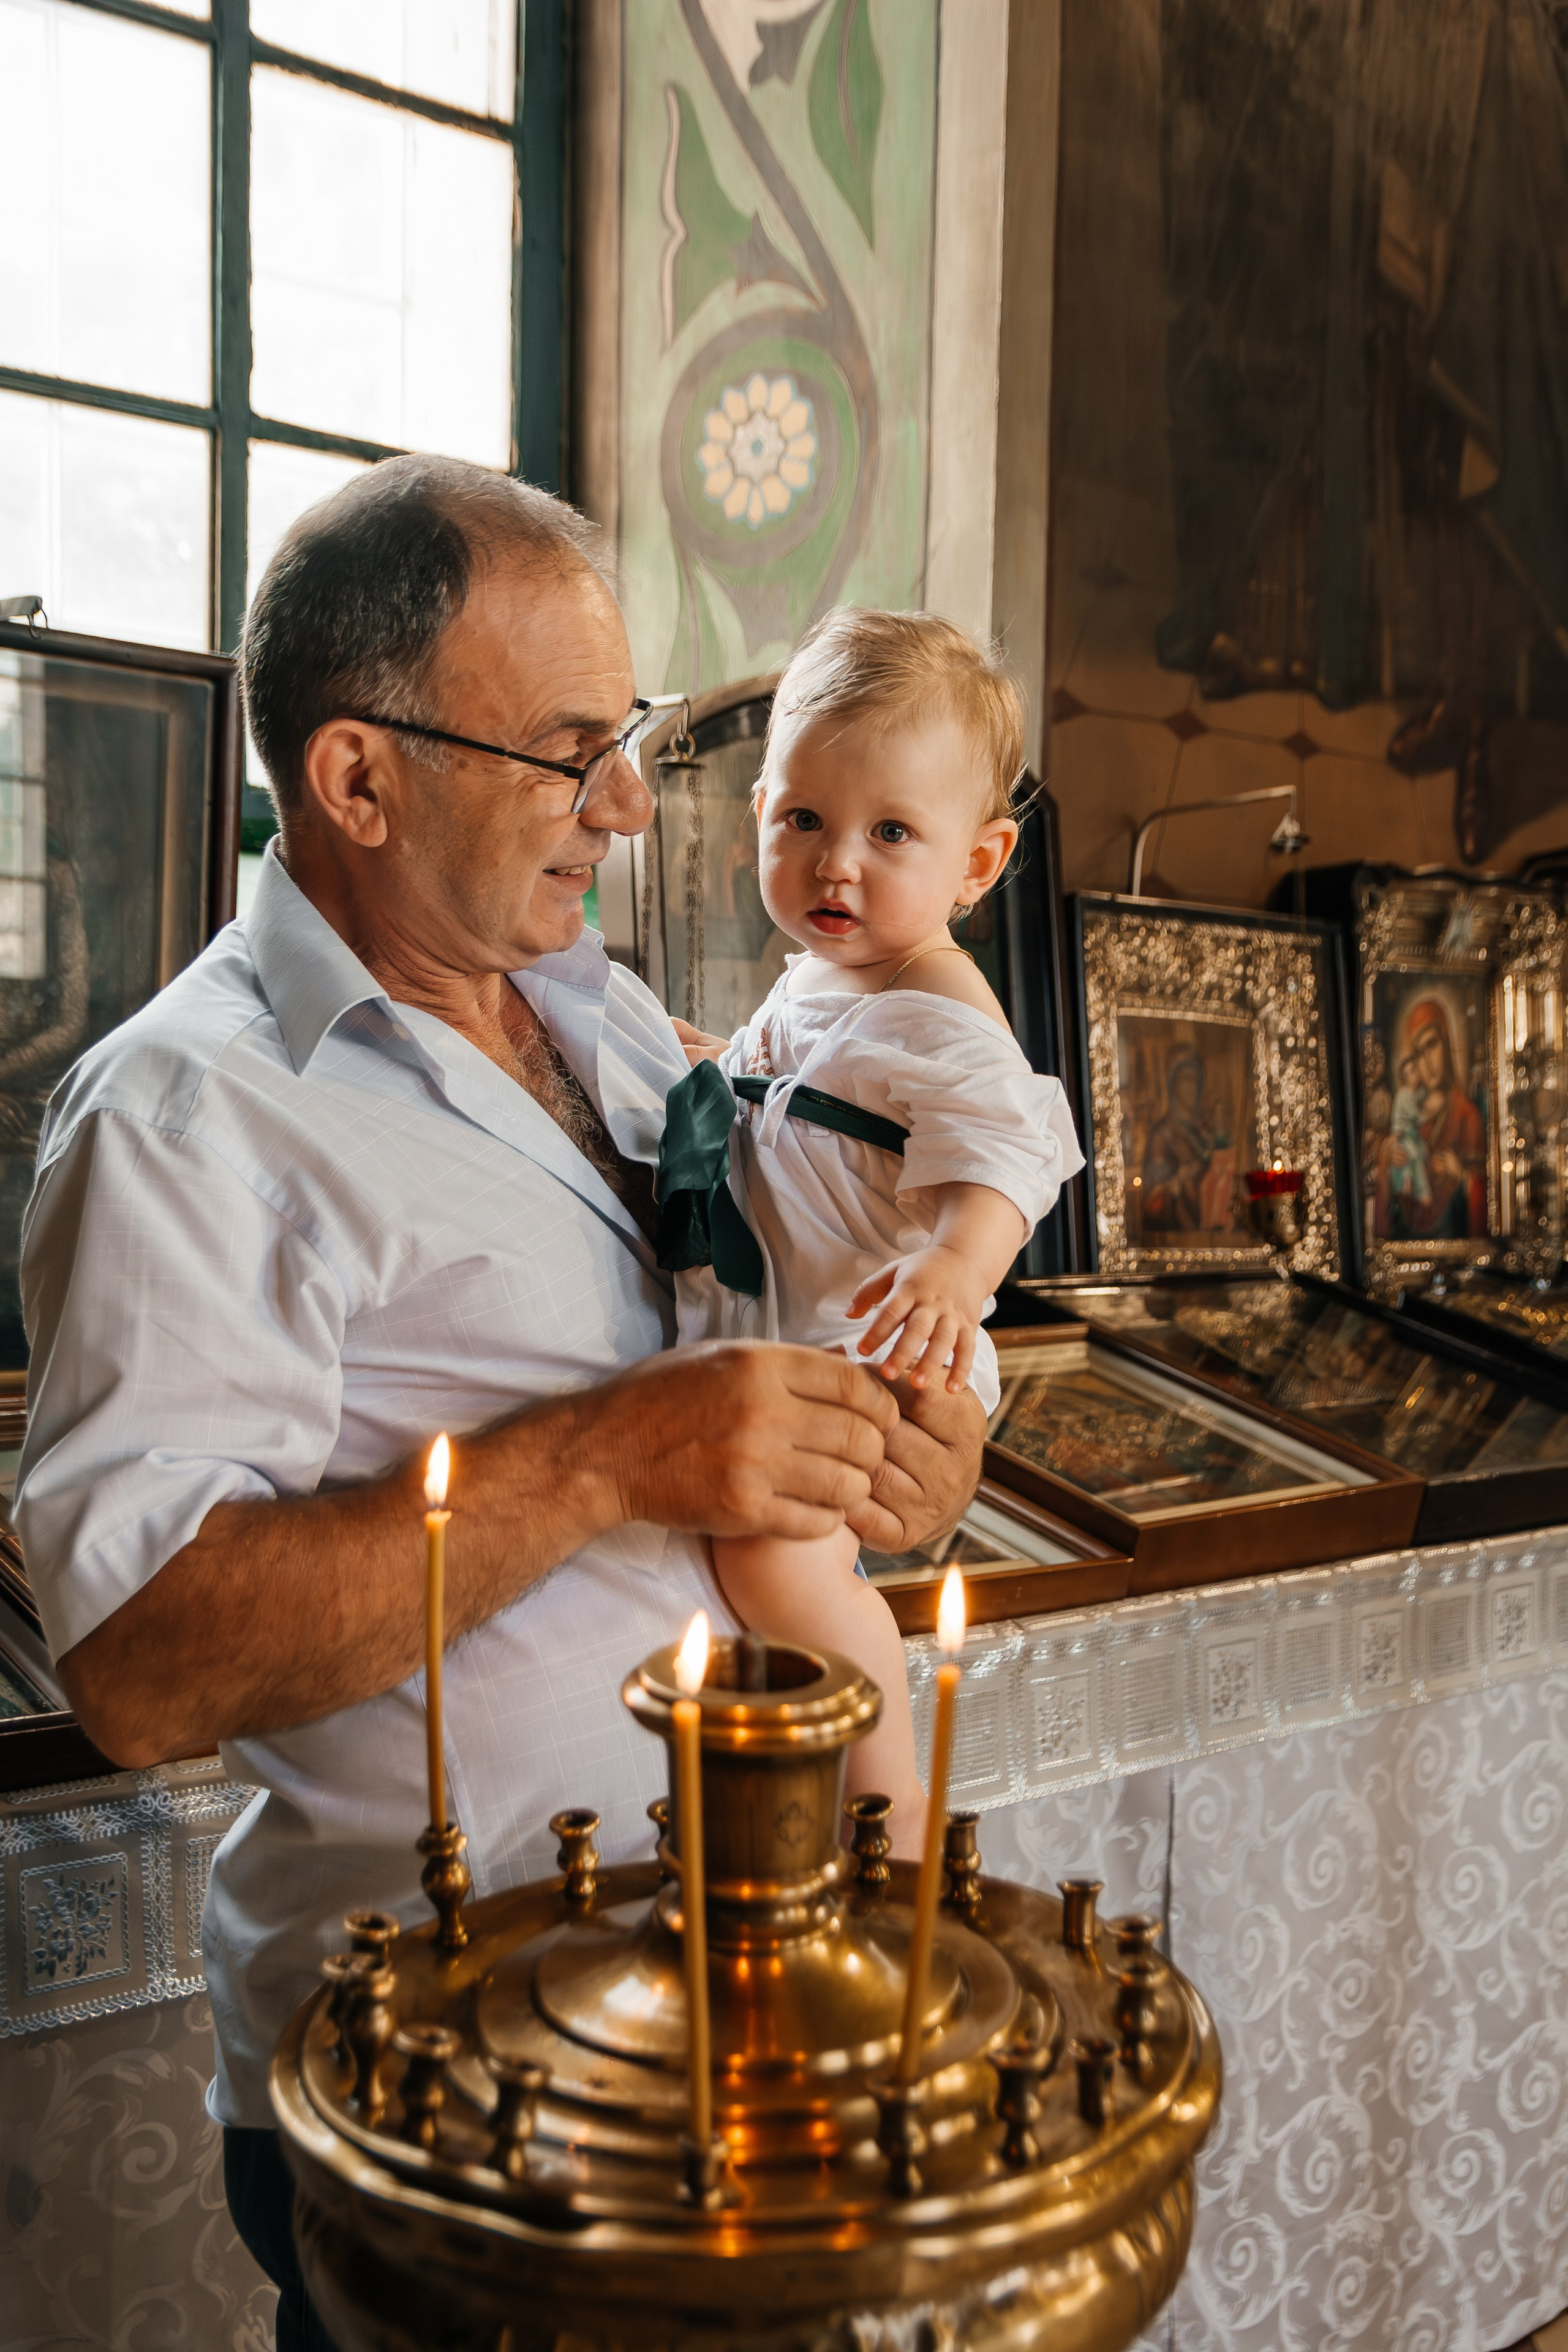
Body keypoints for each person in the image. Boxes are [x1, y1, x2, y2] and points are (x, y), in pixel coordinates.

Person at [12, 458, 984, 2352]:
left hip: (734, 1994)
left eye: (619, 740)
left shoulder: (605, 1012)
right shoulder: (189, 1114)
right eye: (569, 751)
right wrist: (616, 1452)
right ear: (361, 778)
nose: (626, 804)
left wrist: (892, 1452)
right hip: (450, 2078)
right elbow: (138, 1659)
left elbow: (773, 1390)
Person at [666, 612, 1081, 1855]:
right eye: (803, 821)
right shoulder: (820, 983)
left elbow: (1007, 1152)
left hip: (883, 1333)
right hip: (800, 1324)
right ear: (756, 820)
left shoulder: (943, 1012)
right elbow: (770, 1091)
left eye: (889, 833)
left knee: (782, 1567)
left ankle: (888, 1808)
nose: (835, 865)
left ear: (977, 862)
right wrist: (707, 1066)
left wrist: (957, 1266)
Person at [1374, 997, 1486, 1238]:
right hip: (1402, 1238)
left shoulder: (1468, 1115)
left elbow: (1484, 1190)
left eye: (1432, 1045)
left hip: (1454, 1241)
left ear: (1447, 1044)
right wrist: (1387, 1153)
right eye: (1418, 1053)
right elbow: (1380, 1155)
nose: (1427, 1063)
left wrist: (1462, 1176)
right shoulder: (1408, 1108)